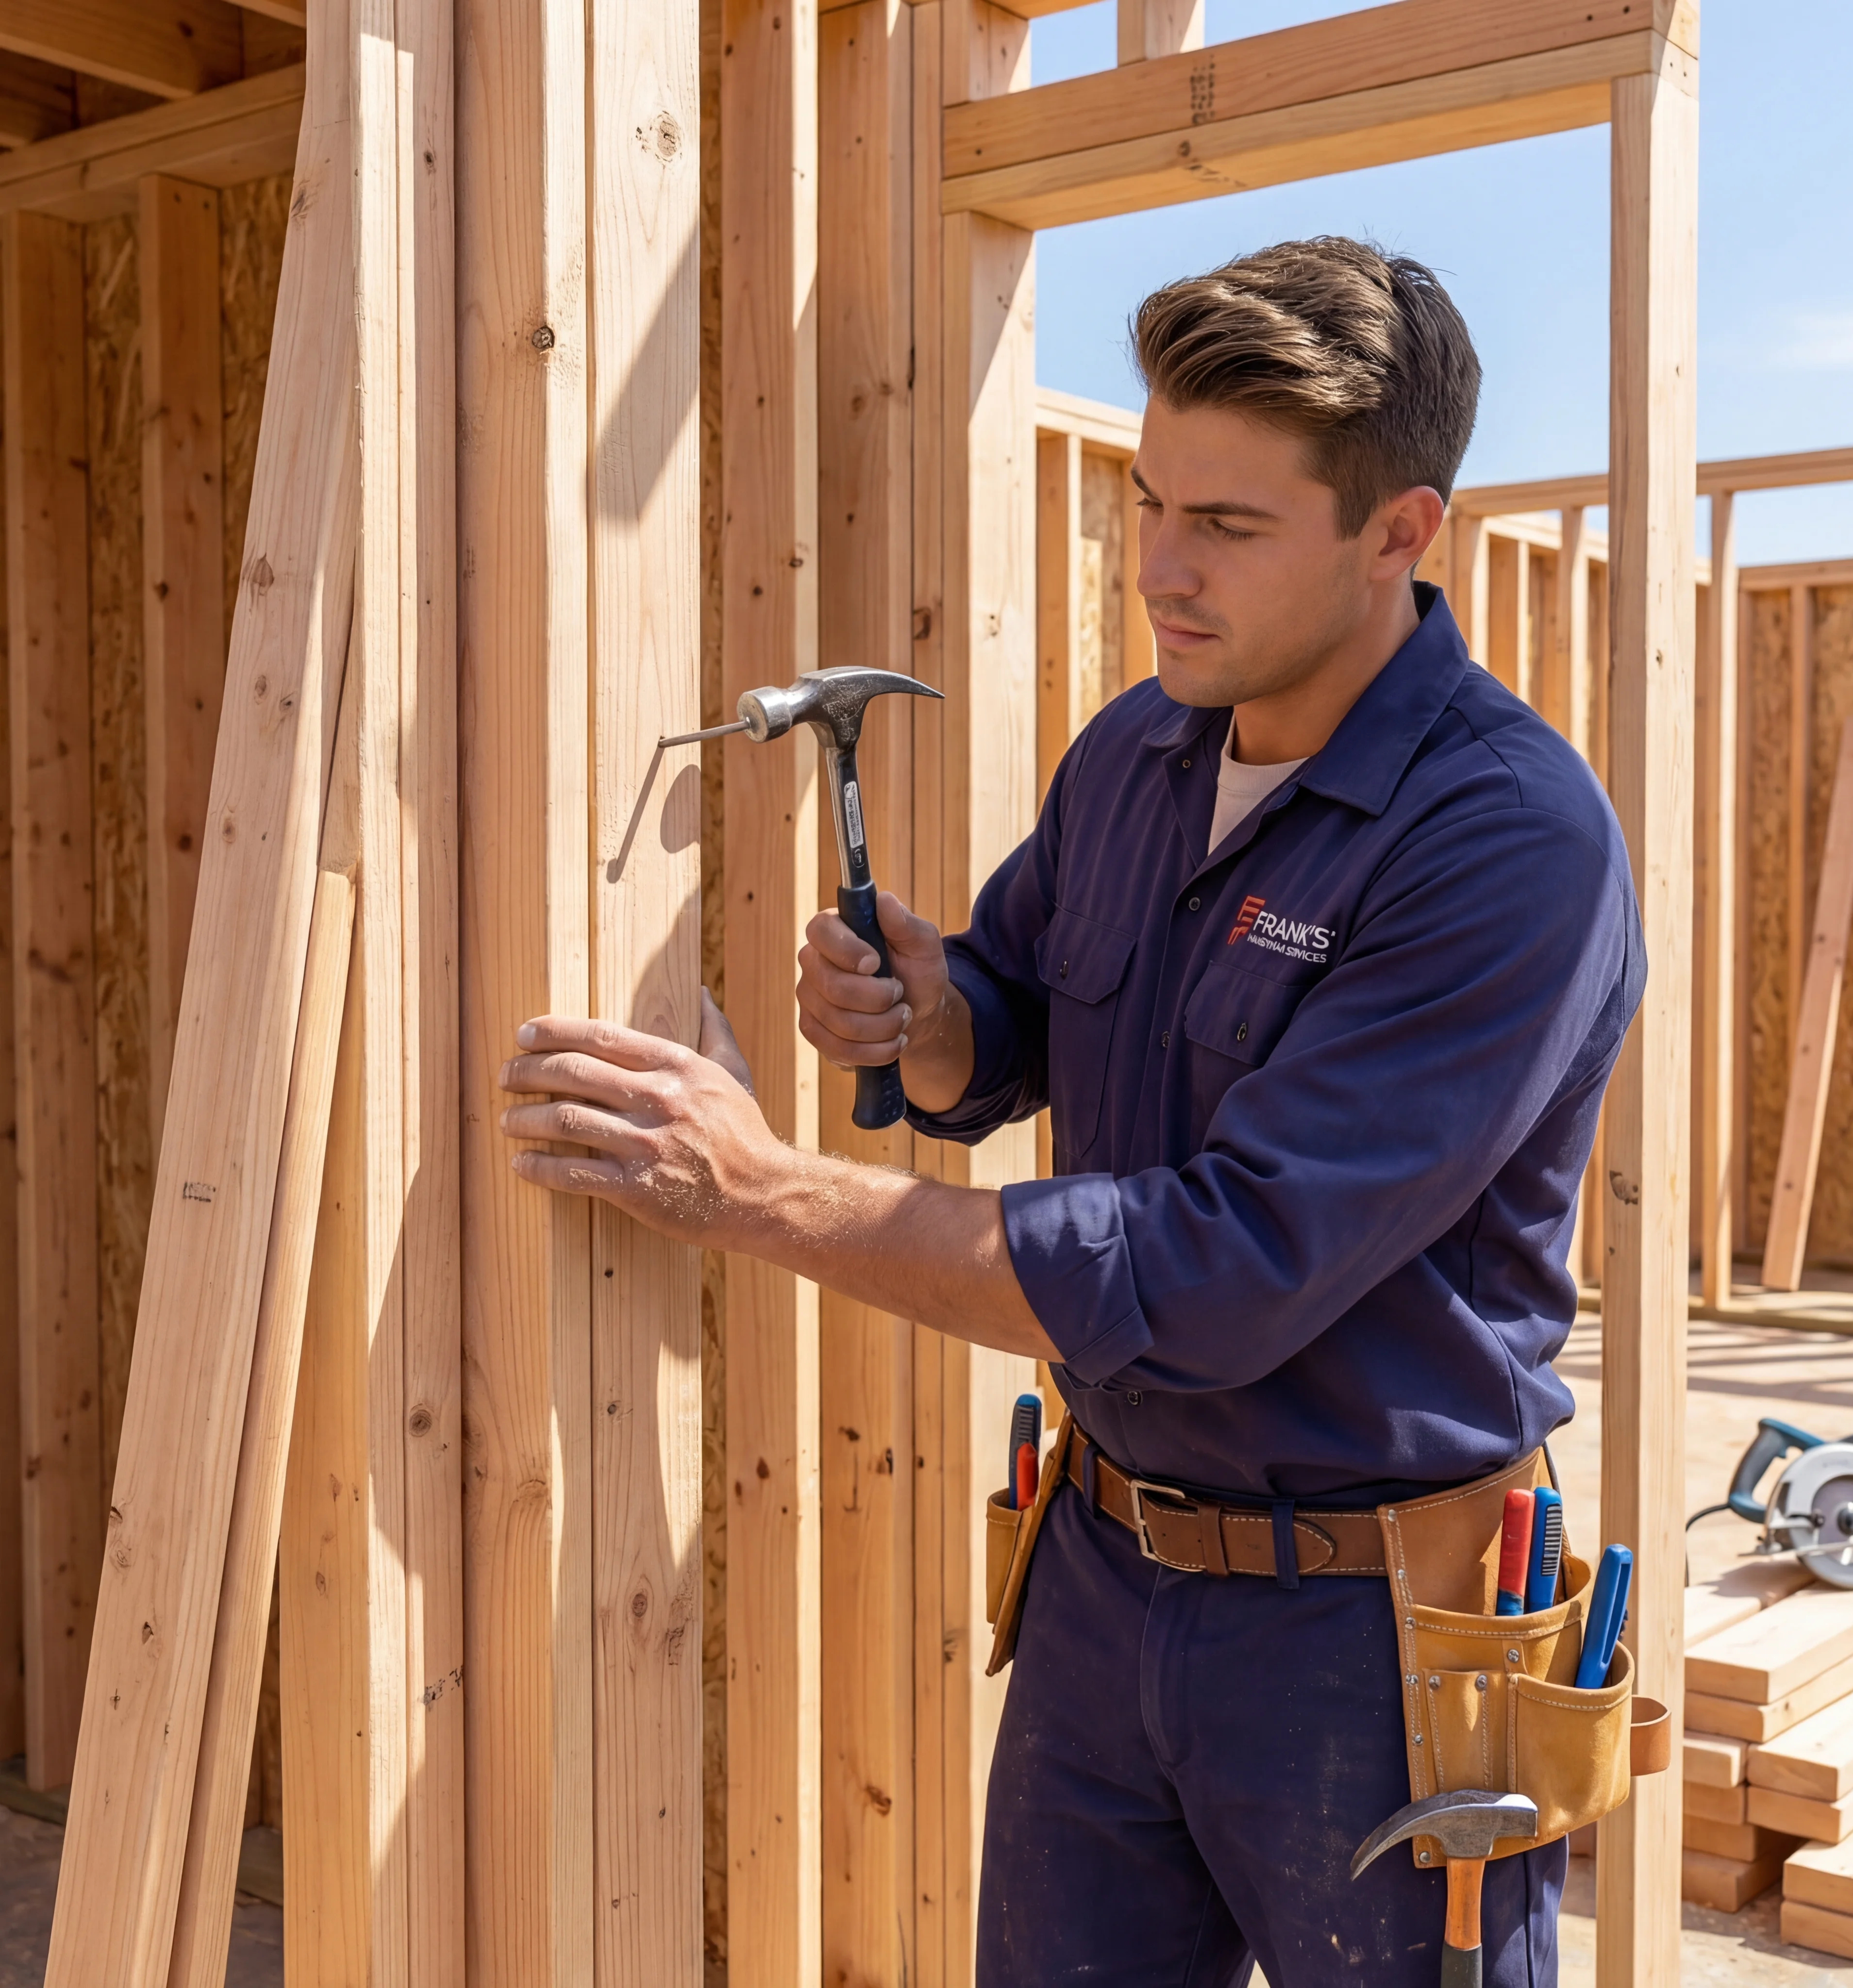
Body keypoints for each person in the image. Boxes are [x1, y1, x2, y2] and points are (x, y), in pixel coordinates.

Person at [498, 235, 1643, 1987]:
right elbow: (1014, 1023)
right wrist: (930, 1006)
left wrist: (754, 1192)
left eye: (1229, 529)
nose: (1157, 572)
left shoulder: (1508, 844)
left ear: (1401, 534)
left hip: (1375, 1640)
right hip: (1106, 1571)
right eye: (1146, 500)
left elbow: (1224, 1265)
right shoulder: (1141, 750)